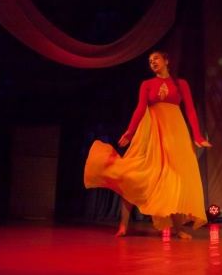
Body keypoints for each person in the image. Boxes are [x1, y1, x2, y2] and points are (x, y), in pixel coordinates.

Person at [84, 51, 212, 239]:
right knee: (132, 175)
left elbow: (191, 111)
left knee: (174, 179)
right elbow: (140, 109)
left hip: (175, 135)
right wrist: (130, 132)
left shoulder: (181, 83)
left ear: (166, 60)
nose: (153, 62)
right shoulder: (147, 84)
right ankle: (123, 226)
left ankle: (178, 229)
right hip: (152, 133)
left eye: (156, 58)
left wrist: (198, 135)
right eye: (150, 61)